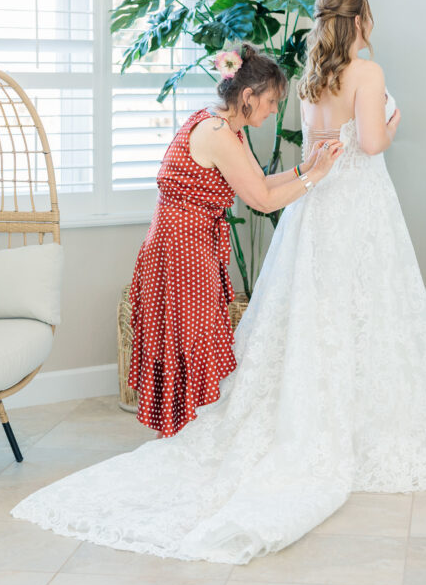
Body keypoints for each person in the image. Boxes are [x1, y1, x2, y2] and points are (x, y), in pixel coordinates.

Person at [12, 0, 426, 564]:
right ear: (360, 19)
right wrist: (392, 121)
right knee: (368, 311)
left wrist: (311, 175)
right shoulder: (365, 72)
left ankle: (245, 419)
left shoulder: (311, 79)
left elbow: (287, 177)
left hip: (314, 208)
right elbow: (370, 147)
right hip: (346, 206)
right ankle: (352, 430)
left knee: (310, 315)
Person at [129, 42, 342, 438]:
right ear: (248, 96)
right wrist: (317, 177)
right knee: (189, 344)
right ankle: (179, 437)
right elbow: (261, 201)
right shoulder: (216, 134)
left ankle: (184, 436)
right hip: (180, 251)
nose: (274, 110)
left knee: (194, 342)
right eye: (272, 101)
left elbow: (258, 182)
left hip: (189, 246)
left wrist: (305, 168)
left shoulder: (226, 125)